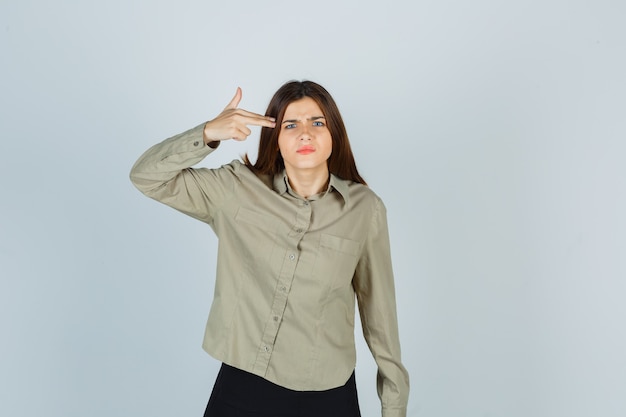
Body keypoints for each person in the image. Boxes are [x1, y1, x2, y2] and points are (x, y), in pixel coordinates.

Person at [130, 80, 409, 417]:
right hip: (244, 383)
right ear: (275, 138)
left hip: (327, 391)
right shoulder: (236, 188)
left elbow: (379, 315)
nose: (305, 133)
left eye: (317, 122)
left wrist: (393, 407)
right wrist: (207, 133)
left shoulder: (365, 210)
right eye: (291, 125)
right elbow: (146, 177)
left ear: (334, 134)